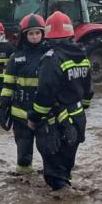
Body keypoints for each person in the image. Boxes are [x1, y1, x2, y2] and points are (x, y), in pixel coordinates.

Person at [27, 12, 93, 193]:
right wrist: (79, 108)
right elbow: (89, 90)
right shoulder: (82, 55)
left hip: (56, 123)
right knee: (66, 165)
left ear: (47, 34)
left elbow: (45, 95)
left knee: (54, 173)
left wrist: (34, 118)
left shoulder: (51, 59)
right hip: (78, 119)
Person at [0, 14, 47, 174]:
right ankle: (23, 182)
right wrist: (2, 107)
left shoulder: (50, 55)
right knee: (24, 154)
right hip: (20, 115)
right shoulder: (16, 58)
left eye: (38, 33)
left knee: (49, 150)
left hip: (44, 114)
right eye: (31, 33)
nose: (34, 37)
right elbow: (8, 85)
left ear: (43, 33)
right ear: (24, 35)